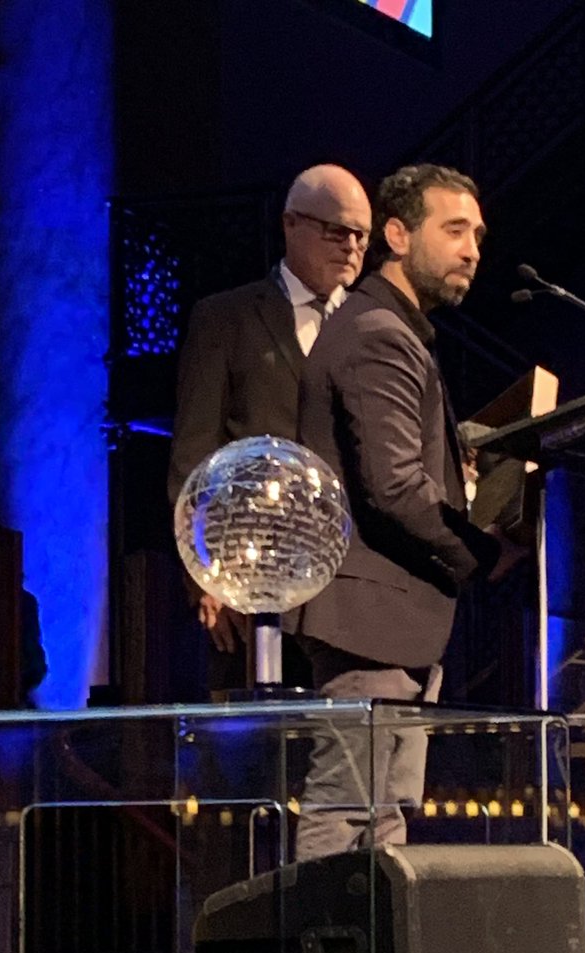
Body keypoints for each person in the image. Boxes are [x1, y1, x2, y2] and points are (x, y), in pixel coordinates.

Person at [288, 163, 521, 860]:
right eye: (454, 230)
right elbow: (392, 488)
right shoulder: (379, 332)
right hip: (369, 624)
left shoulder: (394, 329)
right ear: (396, 233)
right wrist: (482, 552)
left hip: (393, 626)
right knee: (348, 814)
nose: (472, 250)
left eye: (477, 234)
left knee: (384, 820)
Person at [167, 163, 372, 693]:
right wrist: (206, 579)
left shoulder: (375, 330)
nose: (351, 247)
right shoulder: (226, 318)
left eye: (362, 236)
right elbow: (194, 452)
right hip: (252, 583)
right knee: (251, 752)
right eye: (337, 231)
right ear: (290, 225)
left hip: (353, 588)